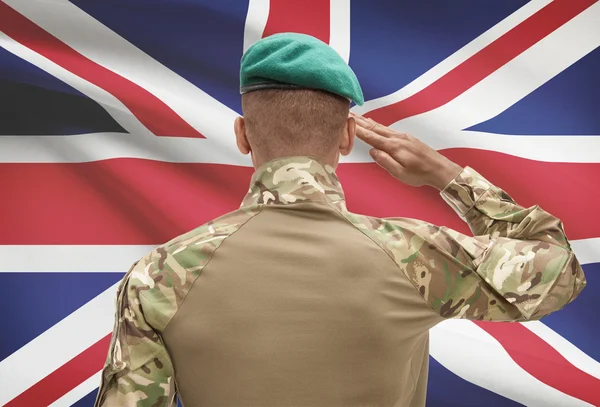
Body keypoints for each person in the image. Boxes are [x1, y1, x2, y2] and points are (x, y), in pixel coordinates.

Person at [94, 33, 586, 407]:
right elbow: (559, 269)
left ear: (242, 135)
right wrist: (448, 175)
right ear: (349, 135)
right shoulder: (415, 255)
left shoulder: (159, 274)